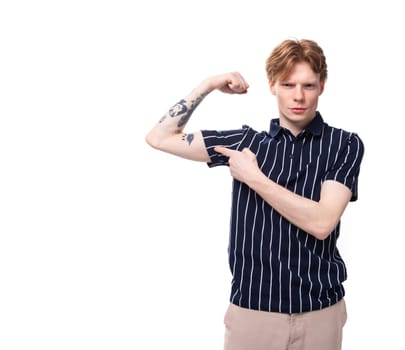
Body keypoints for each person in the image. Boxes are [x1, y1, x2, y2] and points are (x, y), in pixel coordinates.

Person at [145, 38, 364, 350]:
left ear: (322, 86)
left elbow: (322, 222)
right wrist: (208, 84)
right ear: (272, 85)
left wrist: (253, 177)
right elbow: (159, 137)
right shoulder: (247, 143)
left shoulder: (344, 144)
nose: (298, 96)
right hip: (253, 312)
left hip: (321, 311)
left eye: (308, 85)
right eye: (288, 84)